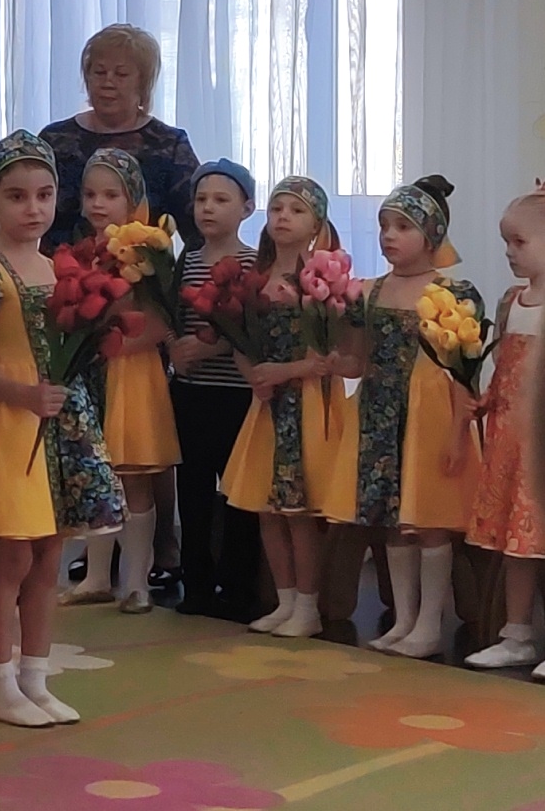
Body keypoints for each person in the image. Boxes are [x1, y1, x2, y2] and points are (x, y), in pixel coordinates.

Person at [0, 131, 124, 728]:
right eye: (17, 196)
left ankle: (35, 677)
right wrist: (22, 394)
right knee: (11, 559)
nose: (33, 208)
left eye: (45, 195)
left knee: (50, 556)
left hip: (59, 425)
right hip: (9, 426)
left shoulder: (60, 268)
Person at [325, 177, 481, 659]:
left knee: (429, 520)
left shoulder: (453, 292)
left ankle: (430, 623)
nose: (389, 235)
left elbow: (465, 374)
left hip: (429, 417)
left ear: (432, 235)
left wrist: (458, 434)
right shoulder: (368, 293)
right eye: (384, 225)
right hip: (378, 414)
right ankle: (405, 619)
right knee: (392, 520)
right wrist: (325, 341)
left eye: (403, 226)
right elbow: (355, 360)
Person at [221, 177, 355, 640]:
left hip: (308, 402)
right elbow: (240, 340)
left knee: (298, 512)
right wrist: (254, 375)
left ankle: (309, 605)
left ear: (317, 224)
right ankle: (285, 600)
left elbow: (329, 355)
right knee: (268, 508)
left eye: (296, 211)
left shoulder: (323, 280)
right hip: (267, 405)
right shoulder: (256, 278)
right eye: (277, 208)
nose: (283, 217)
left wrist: (283, 371)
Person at [63, 149, 180, 615]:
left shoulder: (148, 251)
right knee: (96, 474)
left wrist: (113, 346)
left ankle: (135, 582)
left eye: (110, 194)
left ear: (133, 200)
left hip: (131, 373)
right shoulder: (82, 253)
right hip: (90, 372)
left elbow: (161, 323)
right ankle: (95, 576)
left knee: (132, 477)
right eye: (90, 193)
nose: (98, 203)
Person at [170, 161, 264, 620]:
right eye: (201, 199)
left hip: (236, 394)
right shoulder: (185, 261)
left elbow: (255, 328)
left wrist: (214, 346)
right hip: (190, 393)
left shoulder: (252, 263)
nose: (208, 208)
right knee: (192, 490)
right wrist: (175, 346)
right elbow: (170, 316)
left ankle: (239, 587)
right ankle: (197, 584)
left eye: (221, 200)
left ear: (246, 208)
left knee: (238, 493)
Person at [465, 184, 545, 673]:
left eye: (520, 242)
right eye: (506, 243)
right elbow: (503, 367)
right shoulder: (512, 301)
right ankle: (517, 634)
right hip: (509, 439)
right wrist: (483, 402)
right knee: (518, 544)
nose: (510, 252)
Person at [39, 24, 203, 249]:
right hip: (57, 268)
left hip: (141, 269)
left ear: (143, 83)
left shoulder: (170, 144)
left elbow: (200, 231)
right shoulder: (54, 139)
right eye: (99, 72)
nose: (108, 83)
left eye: (121, 74)